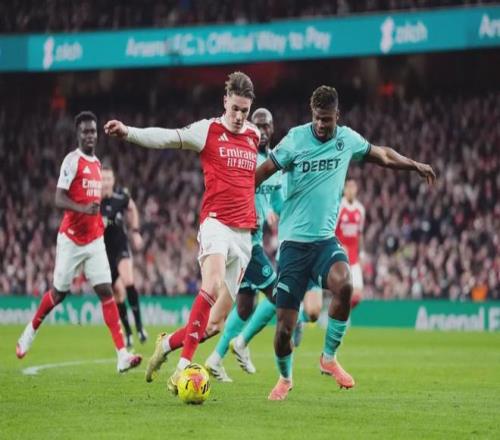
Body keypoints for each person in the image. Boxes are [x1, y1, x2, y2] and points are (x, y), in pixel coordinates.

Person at [255, 85, 436, 400]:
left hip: (324, 242)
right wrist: (237, 199)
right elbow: (263, 171)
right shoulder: (295, 139)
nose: (321, 124)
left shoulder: (347, 139)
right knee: (284, 329)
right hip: (293, 246)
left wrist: (414, 165)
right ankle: (285, 378)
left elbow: (382, 155)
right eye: (317, 118)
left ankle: (328, 357)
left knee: (345, 284)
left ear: (337, 115)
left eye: (326, 119)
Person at [104, 72, 260, 394]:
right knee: (212, 284)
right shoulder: (208, 130)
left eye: (244, 110)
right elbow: (167, 137)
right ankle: (181, 369)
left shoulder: (254, 135)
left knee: (215, 324)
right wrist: (129, 133)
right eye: (234, 108)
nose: (238, 116)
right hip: (216, 223)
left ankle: (166, 345)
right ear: (225, 102)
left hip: (244, 235)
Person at [16, 111, 142, 373]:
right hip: (71, 239)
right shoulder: (72, 161)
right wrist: (83, 209)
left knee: (106, 291)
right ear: (77, 134)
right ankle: (30, 330)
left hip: (94, 240)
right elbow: (58, 198)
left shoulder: (97, 164)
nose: (90, 135)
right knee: (58, 293)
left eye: (93, 131)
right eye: (85, 131)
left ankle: (122, 355)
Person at [204, 107, 282, 382]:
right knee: (278, 296)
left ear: (273, 128)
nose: (262, 131)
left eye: (266, 125)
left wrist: (274, 213)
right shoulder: (245, 157)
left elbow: (277, 203)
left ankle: (214, 359)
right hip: (244, 241)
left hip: (253, 242)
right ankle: (241, 341)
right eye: (257, 125)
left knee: (245, 306)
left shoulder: (274, 164)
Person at [101, 164, 147, 348]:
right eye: (103, 179)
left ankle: (140, 327)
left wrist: (135, 231)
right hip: (104, 254)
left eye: (108, 179)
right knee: (118, 294)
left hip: (121, 247)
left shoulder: (120, 197)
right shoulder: (94, 203)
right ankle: (128, 332)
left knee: (129, 281)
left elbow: (132, 208)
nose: (106, 182)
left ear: (113, 180)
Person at [335, 178, 365, 308]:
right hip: (339, 257)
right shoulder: (339, 206)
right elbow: (331, 231)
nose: (351, 190)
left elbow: (360, 233)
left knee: (357, 295)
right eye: (349, 187)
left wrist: (362, 253)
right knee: (342, 292)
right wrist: (340, 246)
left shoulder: (360, 210)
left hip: (354, 258)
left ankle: (343, 314)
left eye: (354, 187)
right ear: (345, 189)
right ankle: (336, 314)